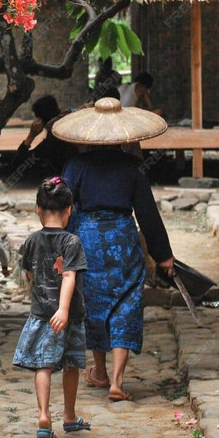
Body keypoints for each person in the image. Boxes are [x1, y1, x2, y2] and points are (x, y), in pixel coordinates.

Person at [62, 114, 174, 402]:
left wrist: (62, 250)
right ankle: (117, 380)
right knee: (127, 301)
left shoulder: (76, 167)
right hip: (123, 242)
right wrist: (163, 255)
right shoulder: (133, 167)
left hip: (88, 243)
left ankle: (99, 370)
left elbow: (66, 210)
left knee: (93, 304)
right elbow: (147, 214)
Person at [12, 177, 91, 438]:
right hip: (69, 316)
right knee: (71, 365)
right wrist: (64, 310)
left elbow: (29, 273)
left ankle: (44, 416)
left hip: (41, 314)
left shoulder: (31, 241)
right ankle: (69, 415)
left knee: (42, 366)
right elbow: (69, 276)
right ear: (69, 209)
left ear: (38, 209)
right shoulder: (72, 242)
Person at [9, 94, 73, 179]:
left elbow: (18, 164)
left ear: (40, 120)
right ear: (59, 110)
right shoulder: (72, 132)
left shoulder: (50, 143)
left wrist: (31, 136)